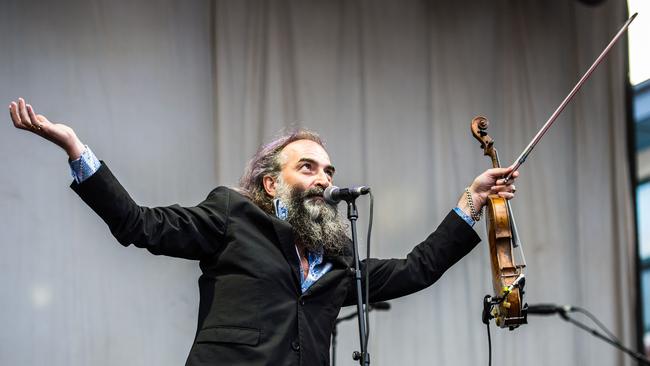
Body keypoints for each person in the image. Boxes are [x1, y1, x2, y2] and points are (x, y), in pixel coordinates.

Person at [9, 97, 518, 366]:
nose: (324, 179)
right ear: (272, 183)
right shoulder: (233, 217)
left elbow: (417, 269)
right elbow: (138, 224)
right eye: (309, 168)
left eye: (330, 172)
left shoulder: (338, 265)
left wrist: (472, 200)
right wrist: (77, 151)